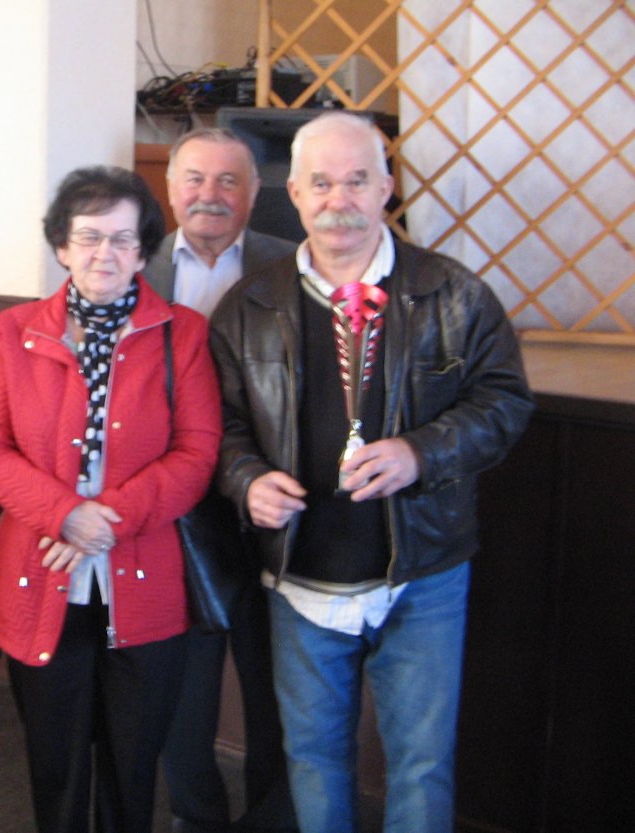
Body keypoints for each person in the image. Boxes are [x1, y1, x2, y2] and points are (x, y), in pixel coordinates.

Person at [209, 111, 534, 833]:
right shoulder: (249, 305)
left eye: (358, 180)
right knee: (313, 757)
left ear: (387, 188)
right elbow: (218, 425)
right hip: (299, 573)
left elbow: (505, 401)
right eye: (322, 183)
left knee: (421, 762)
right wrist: (246, 478)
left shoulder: (453, 292)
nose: (340, 200)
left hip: (423, 570)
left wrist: (421, 452)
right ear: (294, 193)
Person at [0, 165, 221, 833]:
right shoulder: (13, 331)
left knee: (132, 769)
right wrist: (65, 514)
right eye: (88, 237)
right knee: (54, 764)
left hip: (145, 578)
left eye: (122, 239)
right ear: (61, 246)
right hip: (39, 573)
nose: (104, 253)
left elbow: (197, 454)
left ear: (142, 252)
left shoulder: (184, 334)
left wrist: (105, 522)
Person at [144, 127, 297, 833]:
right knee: (185, 685)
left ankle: (271, 819)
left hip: (270, 503)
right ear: (171, 189)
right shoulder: (132, 262)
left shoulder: (292, 265)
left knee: (275, 682)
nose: (210, 195)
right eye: (195, 179)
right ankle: (196, 815)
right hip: (173, 509)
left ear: (255, 193)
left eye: (228, 180)